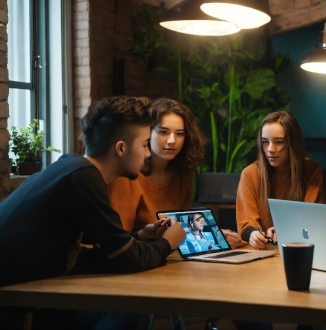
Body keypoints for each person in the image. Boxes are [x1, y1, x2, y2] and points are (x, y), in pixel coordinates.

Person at [0, 96, 186, 327]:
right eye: (144, 144)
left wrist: (139, 238)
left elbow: (104, 255)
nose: (148, 154)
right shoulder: (83, 179)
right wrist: (168, 243)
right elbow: (129, 260)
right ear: (121, 148)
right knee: (126, 312)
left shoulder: (71, 167)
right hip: (15, 301)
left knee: (124, 311)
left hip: (34, 294)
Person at [107, 98, 245, 249]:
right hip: (138, 258)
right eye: (163, 132)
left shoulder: (184, 172)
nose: (172, 141)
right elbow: (118, 242)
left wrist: (214, 236)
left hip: (169, 255)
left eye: (180, 134)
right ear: (147, 133)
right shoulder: (127, 173)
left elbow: (181, 230)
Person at [236, 110, 326, 250]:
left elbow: (312, 218)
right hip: (265, 252)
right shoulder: (250, 174)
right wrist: (255, 234)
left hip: (301, 250)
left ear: (293, 143)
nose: (270, 149)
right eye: (265, 142)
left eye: (279, 142)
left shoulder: (311, 170)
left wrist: (286, 230)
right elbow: (246, 223)